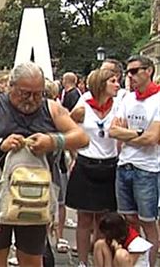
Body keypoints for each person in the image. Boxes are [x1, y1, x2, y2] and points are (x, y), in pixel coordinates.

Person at [0, 61, 89, 266]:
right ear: (11, 87)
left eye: (38, 94)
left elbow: (82, 137)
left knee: (31, 258)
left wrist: (53, 141)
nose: (31, 100)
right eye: (25, 93)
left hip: (36, 198)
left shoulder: (51, 108)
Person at [109, 55, 160, 266]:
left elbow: (152, 138)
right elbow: (113, 131)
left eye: (134, 71)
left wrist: (127, 133)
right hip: (124, 165)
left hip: (147, 168)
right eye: (127, 72)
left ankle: (148, 263)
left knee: (148, 222)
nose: (129, 77)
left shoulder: (157, 99)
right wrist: (138, 133)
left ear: (148, 71)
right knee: (129, 220)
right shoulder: (127, 98)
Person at [67, 69, 121, 266]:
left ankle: (100, 260)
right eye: (113, 81)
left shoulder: (118, 105)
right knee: (84, 219)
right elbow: (69, 129)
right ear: (101, 84)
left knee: (103, 219)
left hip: (109, 164)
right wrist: (74, 154)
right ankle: (82, 261)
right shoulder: (83, 105)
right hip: (86, 162)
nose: (117, 85)